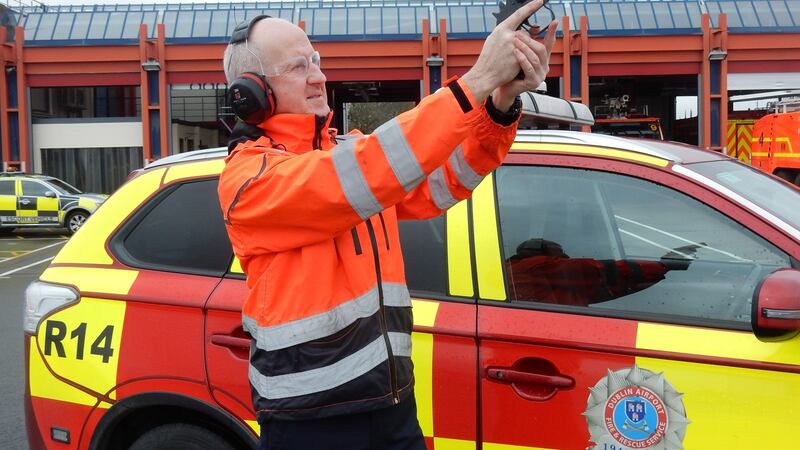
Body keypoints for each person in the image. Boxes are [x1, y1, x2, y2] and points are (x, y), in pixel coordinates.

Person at [217, 2, 556, 448]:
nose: (319, 76)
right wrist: (476, 81)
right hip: (310, 420)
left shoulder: (351, 155)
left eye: (317, 61)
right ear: (252, 91)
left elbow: (441, 179)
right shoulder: (250, 179)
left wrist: (499, 102)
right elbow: (367, 170)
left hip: (391, 402)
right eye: (300, 67)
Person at [507, 238, 698, 305]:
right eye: (560, 256)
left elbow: (610, 288)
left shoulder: (549, 286)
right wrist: (663, 266)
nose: (565, 258)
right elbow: (603, 272)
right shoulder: (539, 267)